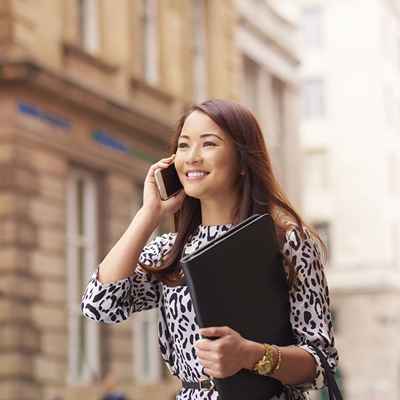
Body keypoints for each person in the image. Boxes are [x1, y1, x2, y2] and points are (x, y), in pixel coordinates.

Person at [81, 99, 339, 400]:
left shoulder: (287, 242)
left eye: (209, 144)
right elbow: (99, 305)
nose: (192, 157)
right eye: (183, 145)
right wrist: (148, 214)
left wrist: (249, 355)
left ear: (243, 160)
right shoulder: (170, 251)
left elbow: (321, 361)